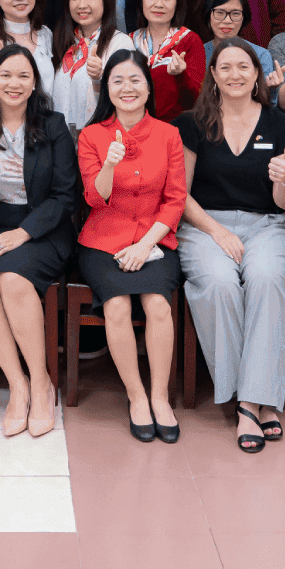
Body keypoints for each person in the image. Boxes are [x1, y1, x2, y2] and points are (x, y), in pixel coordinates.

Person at [176, 39, 285, 453]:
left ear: (256, 74)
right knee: (219, 283)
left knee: (268, 279)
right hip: (205, 225)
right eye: (225, 67)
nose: (235, 74)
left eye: (243, 67)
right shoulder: (191, 124)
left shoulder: (281, 125)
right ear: (213, 75)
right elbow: (181, 196)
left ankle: (249, 402)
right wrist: (218, 231)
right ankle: (254, 397)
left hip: (268, 224)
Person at [0, 44, 79, 437]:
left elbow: (65, 195)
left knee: (13, 280)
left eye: (24, 76)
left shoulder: (53, 125)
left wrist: (23, 233)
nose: (14, 83)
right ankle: (18, 384)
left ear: (35, 83)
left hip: (40, 229)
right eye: (6, 75)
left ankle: (41, 383)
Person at [76, 50, 186, 443]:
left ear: (148, 87)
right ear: (107, 88)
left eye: (135, 79)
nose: (128, 88)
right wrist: (109, 164)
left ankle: (160, 398)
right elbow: (95, 198)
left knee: (158, 305)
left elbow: (175, 199)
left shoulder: (169, 134)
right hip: (103, 240)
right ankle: (136, 397)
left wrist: (144, 246)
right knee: (118, 306)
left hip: (155, 240)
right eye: (118, 80)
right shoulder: (91, 135)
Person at [51, 0, 133, 130]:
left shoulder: (120, 44)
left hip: (100, 139)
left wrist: (99, 79)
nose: (82, 5)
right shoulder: (62, 41)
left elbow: (127, 100)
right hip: (60, 140)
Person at [128, 0, 204, 121]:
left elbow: (196, 102)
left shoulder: (190, 40)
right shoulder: (127, 41)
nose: (159, 4)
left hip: (176, 129)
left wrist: (181, 76)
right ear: (141, 0)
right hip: (134, 127)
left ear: (177, 3)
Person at [200, 0, 279, 80]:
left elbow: (264, 90)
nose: (227, 20)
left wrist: (271, 87)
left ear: (244, 17)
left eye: (235, 13)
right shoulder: (197, 54)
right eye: (220, 12)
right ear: (208, 15)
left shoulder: (260, 55)